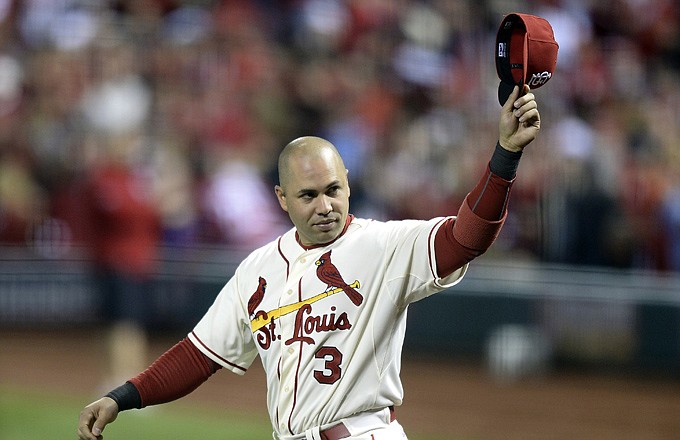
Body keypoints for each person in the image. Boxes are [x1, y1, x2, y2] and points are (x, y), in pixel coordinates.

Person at [77, 84, 541, 440]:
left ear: (348, 185)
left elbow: (467, 239)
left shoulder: (383, 245)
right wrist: (123, 398)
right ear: (282, 199)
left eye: (333, 190)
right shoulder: (257, 269)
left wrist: (505, 156)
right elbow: (198, 355)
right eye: (308, 195)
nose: (325, 206)